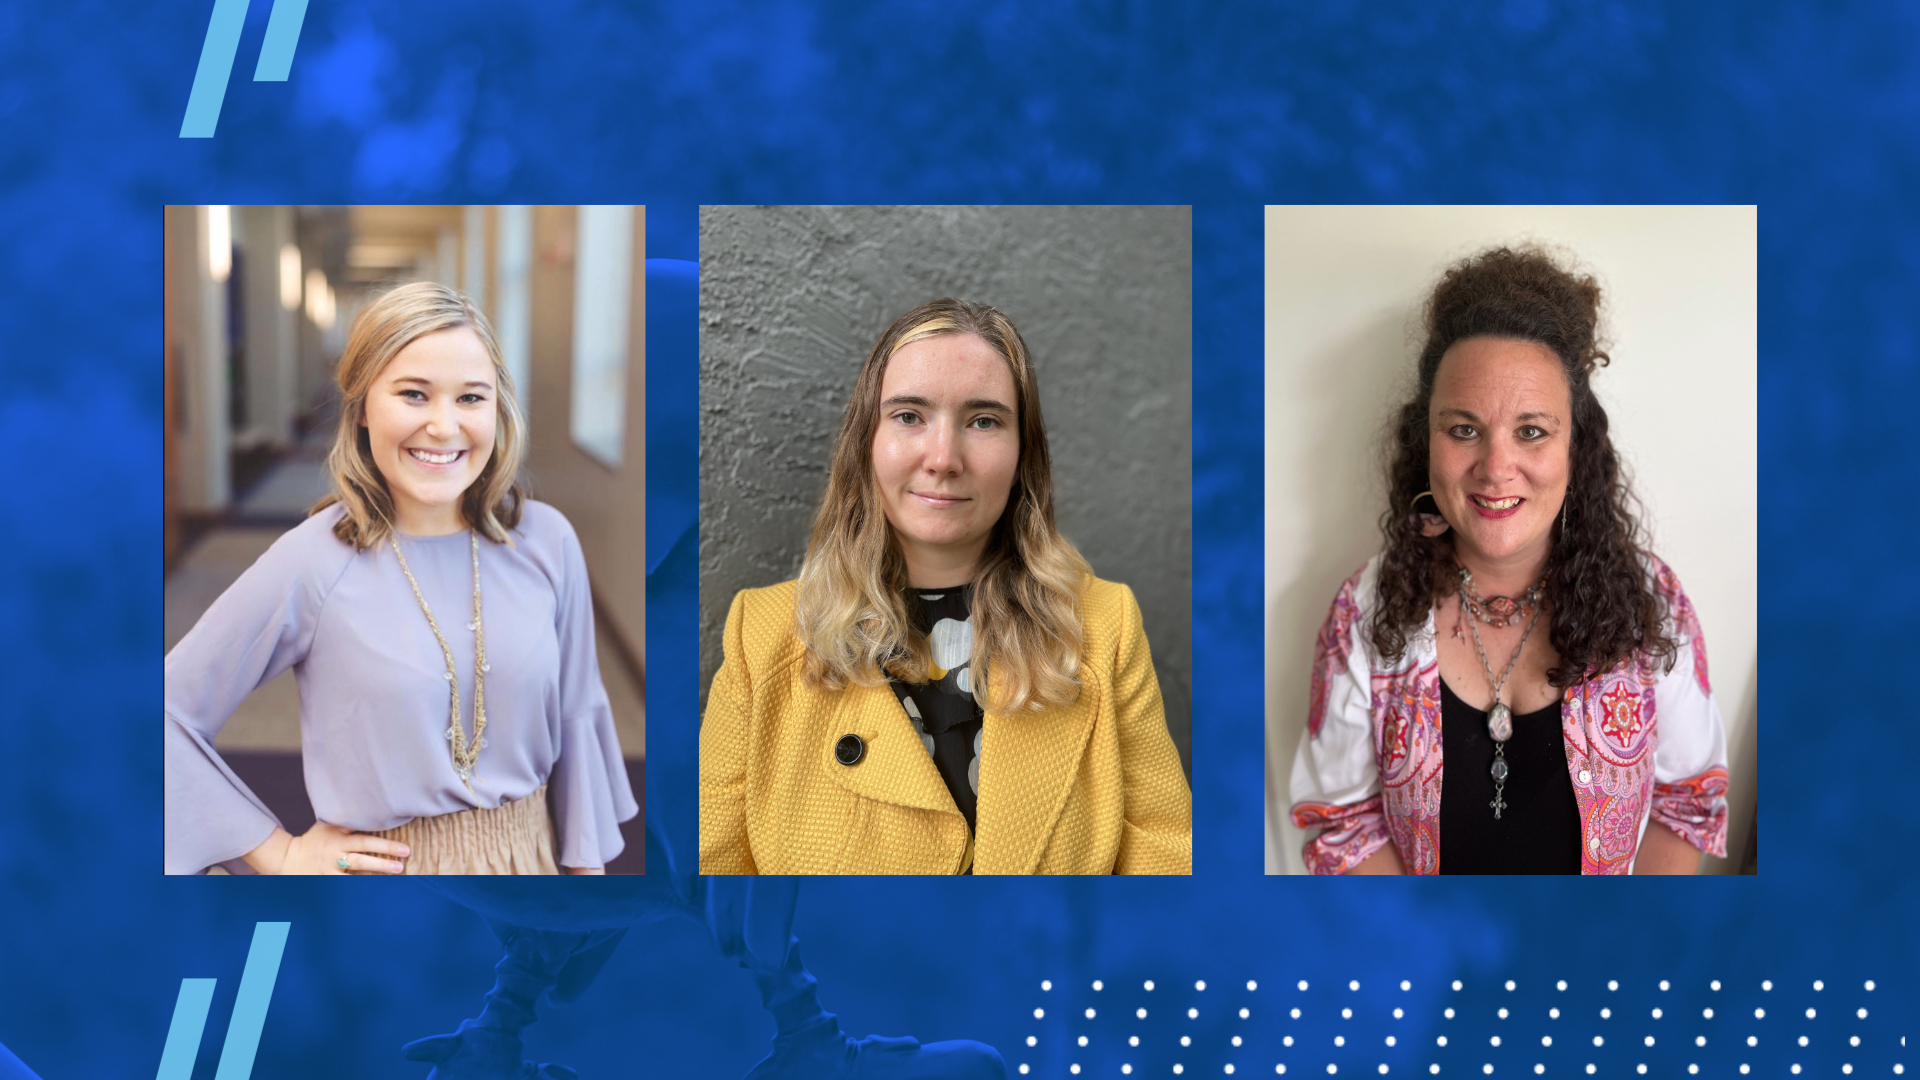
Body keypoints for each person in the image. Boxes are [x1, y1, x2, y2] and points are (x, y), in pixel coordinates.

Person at [700, 298, 1190, 875]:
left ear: (1022, 453)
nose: (943, 458)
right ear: (867, 441)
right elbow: (711, 897)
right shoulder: (760, 636)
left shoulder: (1106, 624)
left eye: (984, 421)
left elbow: (1164, 863)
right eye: (909, 415)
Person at [164, 282, 636, 875]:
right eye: (414, 394)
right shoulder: (313, 560)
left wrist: (581, 912)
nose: (444, 426)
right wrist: (276, 852)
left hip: (530, 871)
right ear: (363, 407)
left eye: (470, 398)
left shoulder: (547, 541)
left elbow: (576, 719)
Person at [1289, 247, 1729, 875]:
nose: (1496, 469)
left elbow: (1689, 802)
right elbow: (1341, 824)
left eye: (1531, 431)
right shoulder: (1364, 613)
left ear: (1576, 446)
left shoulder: (1651, 605)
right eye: (1464, 429)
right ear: (1427, 443)